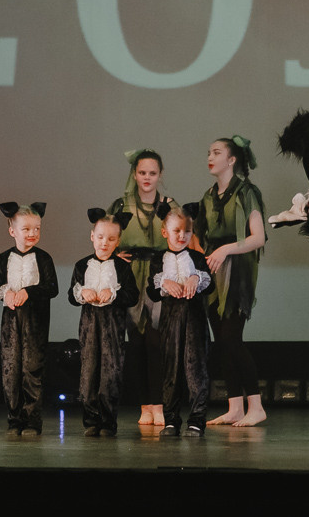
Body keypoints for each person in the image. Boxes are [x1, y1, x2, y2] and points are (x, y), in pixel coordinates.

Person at [198, 136, 268, 427]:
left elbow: (258, 237)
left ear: (232, 159)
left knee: (232, 339)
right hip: (214, 270)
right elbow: (200, 236)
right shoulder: (208, 196)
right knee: (222, 342)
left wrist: (226, 249)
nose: (210, 157)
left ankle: (256, 405)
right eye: (208, 152)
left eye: (216, 152)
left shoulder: (247, 192)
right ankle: (235, 407)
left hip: (237, 271)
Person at [109, 148, 174, 427]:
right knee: (135, 343)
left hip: (160, 274)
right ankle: (144, 406)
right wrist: (114, 256)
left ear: (160, 175)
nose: (147, 177)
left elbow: (180, 234)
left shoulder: (169, 204)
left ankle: (159, 404)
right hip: (132, 275)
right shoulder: (120, 205)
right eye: (142, 172)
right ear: (134, 174)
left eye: (153, 173)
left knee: (156, 342)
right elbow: (106, 236)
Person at [69, 209, 139, 437]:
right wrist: (83, 292)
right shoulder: (81, 265)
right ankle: (91, 420)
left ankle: (108, 422)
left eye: (110, 239)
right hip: (89, 326)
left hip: (113, 327)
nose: (104, 243)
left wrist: (115, 294)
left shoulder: (121, 267)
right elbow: (71, 296)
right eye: (100, 237)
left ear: (118, 241)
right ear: (92, 236)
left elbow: (133, 295)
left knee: (111, 373)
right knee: (88, 372)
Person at [146, 202, 213, 437]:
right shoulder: (158, 259)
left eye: (187, 231)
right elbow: (152, 291)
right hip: (170, 321)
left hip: (194, 319)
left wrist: (196, 277)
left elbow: (209, 285)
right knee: (171, 370)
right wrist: (164, 282)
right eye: (176, 231)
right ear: (165, 232)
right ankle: (171, 420)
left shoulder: (196, 257)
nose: (182, 235)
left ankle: (197, 419)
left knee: (196, 369)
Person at [0, 202, 58, 437]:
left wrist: (29, 291)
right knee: (11, 371)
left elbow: (52, 287)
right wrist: (6, 294)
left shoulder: (44, 258)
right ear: (12, 231)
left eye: (36, 229)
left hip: (35, 322)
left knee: (32, 370)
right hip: (11, 322)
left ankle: (31, 421)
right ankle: (14, 420)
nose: (32, 234)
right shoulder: (4, 258)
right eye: (26, 229)